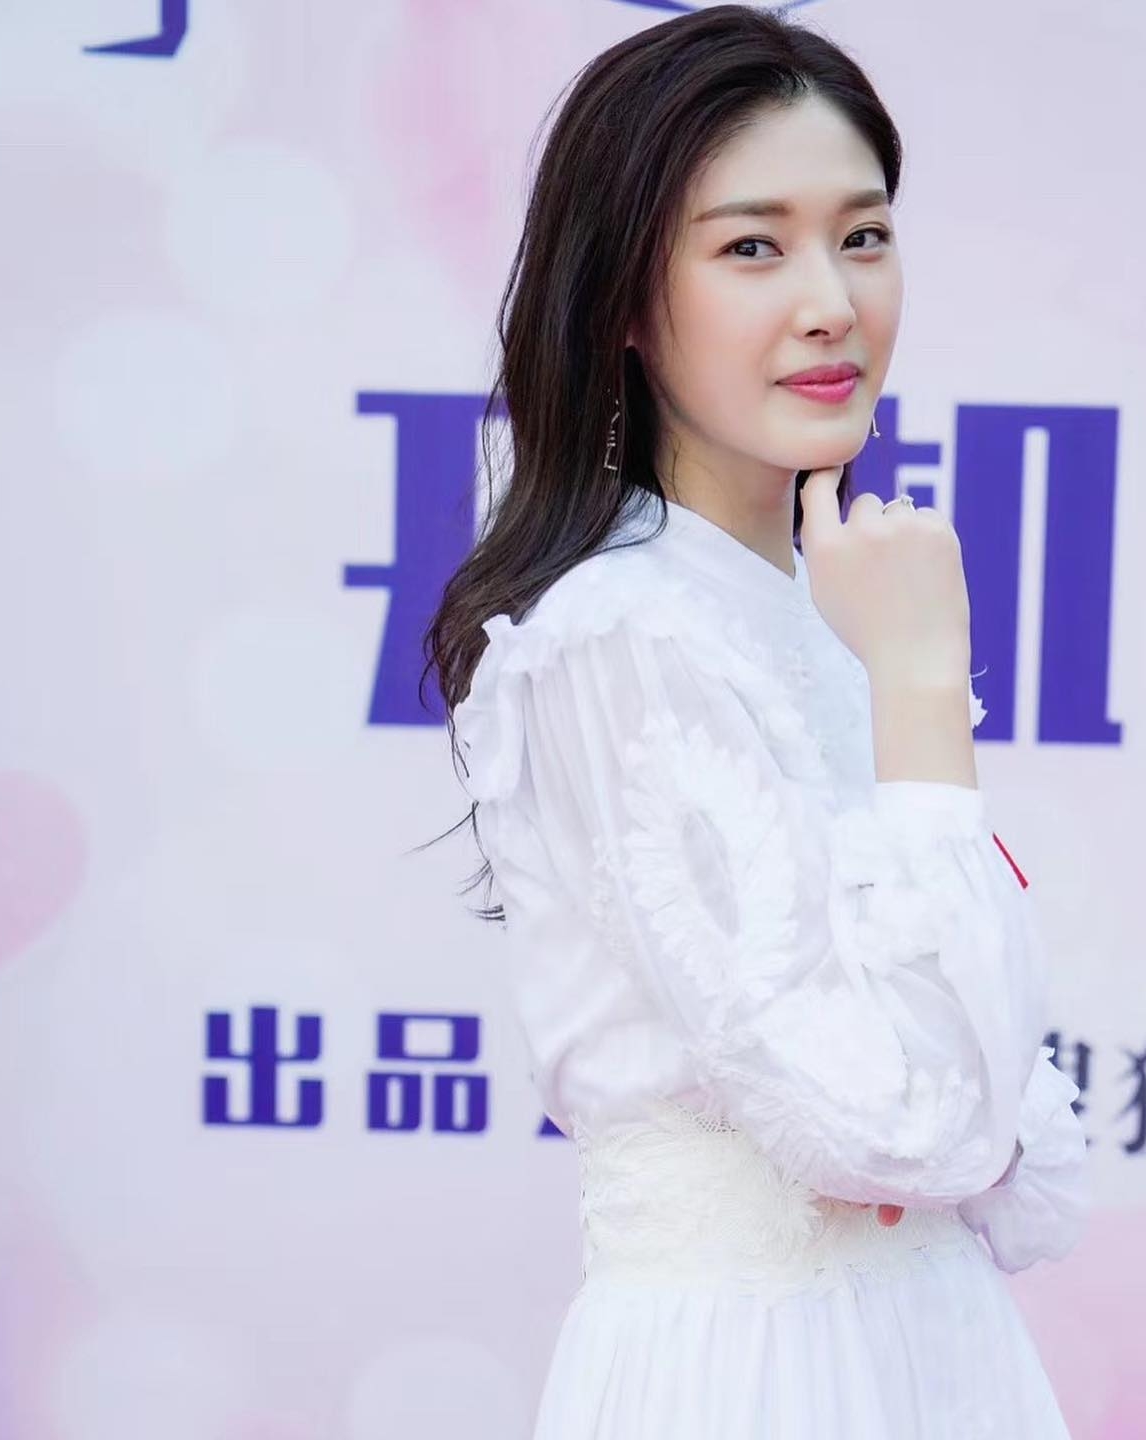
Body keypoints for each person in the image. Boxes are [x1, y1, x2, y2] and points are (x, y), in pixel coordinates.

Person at [424, 7, 1090, 1436]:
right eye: (751, 248)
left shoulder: (819, 606)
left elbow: (1004, 1143)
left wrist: (899, 675)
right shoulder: (615, 633)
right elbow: (911, 1125)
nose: (831, 301)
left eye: (864, 236)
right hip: (758, 1372)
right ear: (623, 295)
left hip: (931, 1349)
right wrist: (925, 687)